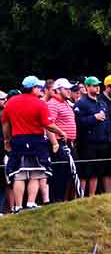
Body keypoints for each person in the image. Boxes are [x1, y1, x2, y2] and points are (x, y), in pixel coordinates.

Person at [2, 77, 64, 213]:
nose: (41, 90)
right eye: (39, 87)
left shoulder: (11, 102)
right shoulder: (40, 103)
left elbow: (5, 124)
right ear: (33, 88)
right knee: (36, 173)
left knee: (19, 174)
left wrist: (7, 140)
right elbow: (48, 125)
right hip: (36, 140)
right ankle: (30, 203)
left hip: (17, 140)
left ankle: (18, 206)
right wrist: (61, 132)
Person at [73, 76, 111, 197]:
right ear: (87, 87)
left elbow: (107, 121)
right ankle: (81, 197)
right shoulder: (81, 103)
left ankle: (92, 196)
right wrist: (94, 118)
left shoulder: (102, 102)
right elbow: (78, 123)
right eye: (94, 85)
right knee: (85, 172)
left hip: (102, 142)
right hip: (87, 143)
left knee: (96, 172)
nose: (97, 87)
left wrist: (108, 137)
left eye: (98, 85)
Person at [45, 78, 78, 201]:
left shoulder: (65, 102)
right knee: (60, 174)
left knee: (69, 173)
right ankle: (57, 201)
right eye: (66, 88)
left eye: (69, 88)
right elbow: (49, 125)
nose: (69, 91)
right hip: (59, 143)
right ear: (58, 90)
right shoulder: (53, 104)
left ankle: (64, 201)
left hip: (68, 143)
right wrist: (54, 144)